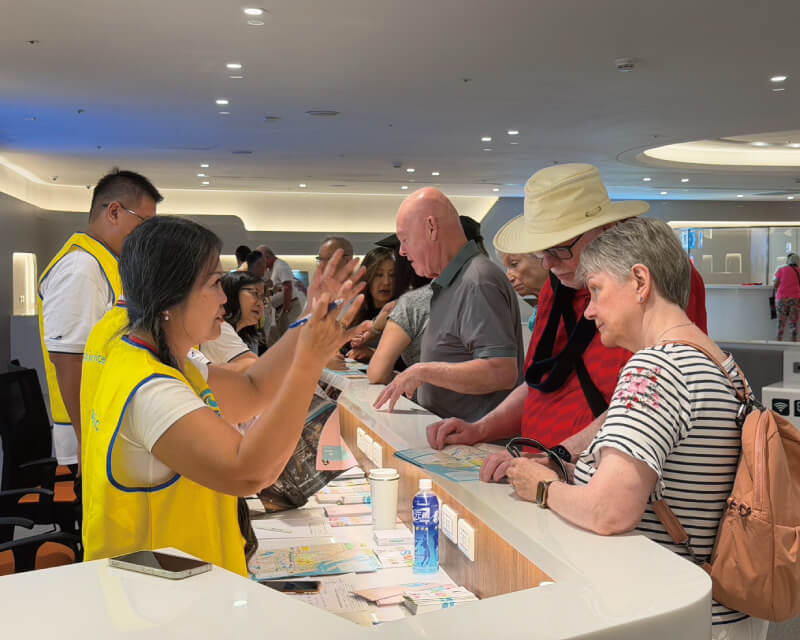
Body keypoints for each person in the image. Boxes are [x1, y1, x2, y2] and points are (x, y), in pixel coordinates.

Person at [505, 217, 767, 640]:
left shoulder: (655, 368)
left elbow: (610, 511)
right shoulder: (720, 364)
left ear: (640, 281)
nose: (589, 310)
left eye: (597, 291)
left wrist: (541, 486)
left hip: (668, 613)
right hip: (710, 611)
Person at [81, 216, 364, 576]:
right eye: (215, 284)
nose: (223, 299)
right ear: (171, 295)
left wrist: (310, 316)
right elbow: (249, 471)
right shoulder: (151, 389)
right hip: (160, 605)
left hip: (182, 591)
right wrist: (308, 364)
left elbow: (253, 390)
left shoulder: (156, 359)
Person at [425, 164, 709, 483]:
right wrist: (481, 429)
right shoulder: (559, 284)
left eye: (560, 248)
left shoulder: (656, 282)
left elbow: (644, 403)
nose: (548, 262)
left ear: (606, 229)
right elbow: (541, 386)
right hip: (540, 477)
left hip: (602, 484)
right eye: (541, 251)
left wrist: (557, 458)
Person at [38, 168, 161, 475]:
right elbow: (69, 360)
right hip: (89, 436)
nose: (146, 235)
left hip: (105, 425)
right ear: (115, 211)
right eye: (144, 223)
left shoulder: (105, 264)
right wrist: (86, 441)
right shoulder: (80, 268)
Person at [374, 187, 523, 421]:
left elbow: (501, 371)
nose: (402, 251)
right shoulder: (452, 281)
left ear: (431, 228)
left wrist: (424, 371)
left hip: (477, 445)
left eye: (405, 239)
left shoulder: (477, 281)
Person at [199, 271, 264, 368]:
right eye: (255, 293)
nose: (261, 304)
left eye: (263, 298)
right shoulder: (220, 328)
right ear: (232, 292)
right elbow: (254, 368)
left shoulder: (247, 336)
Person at [347, 247, 398, 361]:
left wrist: (373, 353)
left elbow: (409, 359)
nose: (386, 282)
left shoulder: (401, 311)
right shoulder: (356, 308)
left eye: (392, 275)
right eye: (379, 275)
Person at [498, 250, 549, 332]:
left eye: (514, 264)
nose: (509, 278)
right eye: (507, 268)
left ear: (542, 257)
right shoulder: (538, 316)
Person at [257, 245, 302, 337]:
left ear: (267, 257)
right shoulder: (272, 268)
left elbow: (288, 287)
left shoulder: (281, 265)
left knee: (290, 337)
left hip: (289, 307)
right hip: (281, 309)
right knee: (283, 335)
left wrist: (286, 309)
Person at [774, 252, 800, 341]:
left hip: (781, 299)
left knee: (781, 323)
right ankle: (793, 345)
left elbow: (775, 285)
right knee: (793, 323)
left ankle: (778, 343)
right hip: (795, 299)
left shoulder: (782, 269)